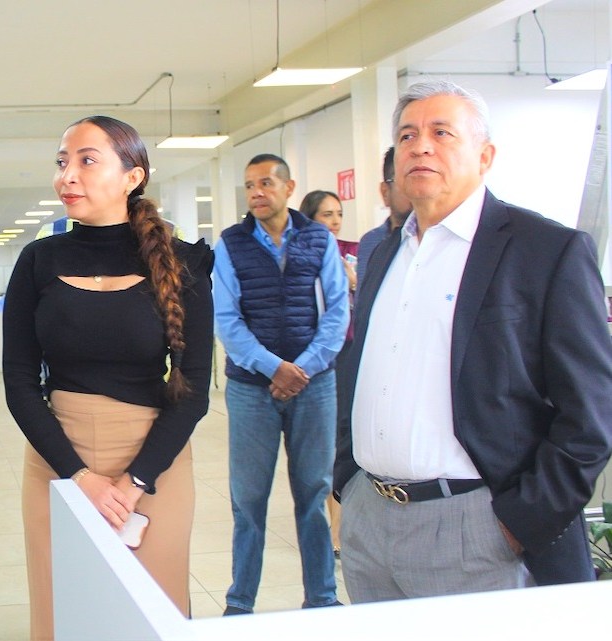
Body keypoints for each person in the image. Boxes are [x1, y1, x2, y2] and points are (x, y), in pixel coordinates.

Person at [333, 79, 612, 603]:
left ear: (485, 156)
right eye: (407, 135)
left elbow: (592, 413)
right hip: (371, 518)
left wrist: (518, 522)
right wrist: (346, 479)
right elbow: (363, 369)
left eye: (442, 133)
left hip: (478, 527)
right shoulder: (386, 254)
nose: (420, 146)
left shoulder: (546, 251)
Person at [2, 115, 214, 641]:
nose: (67, 175)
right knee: (62, 614)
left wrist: (133, 481)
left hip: (154, 461)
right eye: (61, 162)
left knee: (151, 615)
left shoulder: (181, 262)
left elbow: (192, 391)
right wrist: (79, 476)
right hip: (58, 459)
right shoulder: (38, 261)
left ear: (132, 176)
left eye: (87, 160)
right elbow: (19, 381)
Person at [213, 153, 349, 614]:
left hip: (315, 387)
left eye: (266, 183)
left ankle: (322, 597)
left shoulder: (318, 239)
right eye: (250, 185)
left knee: (313, 493)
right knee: (248, 499)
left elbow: (337, 313)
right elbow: (227, 320)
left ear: (289, 189)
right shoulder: (231, 244)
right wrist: (274, 368)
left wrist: (302, 369)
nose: (256, 192)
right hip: (251, 390)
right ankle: (240, 602)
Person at [297, 189, 358, 559]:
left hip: (351, 353)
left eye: (338, 214)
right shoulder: (299, 255)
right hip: (317, 358)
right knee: (325, 445)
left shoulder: (355, 250)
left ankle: (340, 527)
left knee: (344, 441)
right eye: (326, 215)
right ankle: (327, 529)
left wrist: (354, 282)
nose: (335, 222)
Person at [355, 146, 413, 287]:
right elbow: (364, 297)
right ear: (385, 192)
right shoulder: (371, 242)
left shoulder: (438, 240)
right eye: (407, 180)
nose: (416, 190)